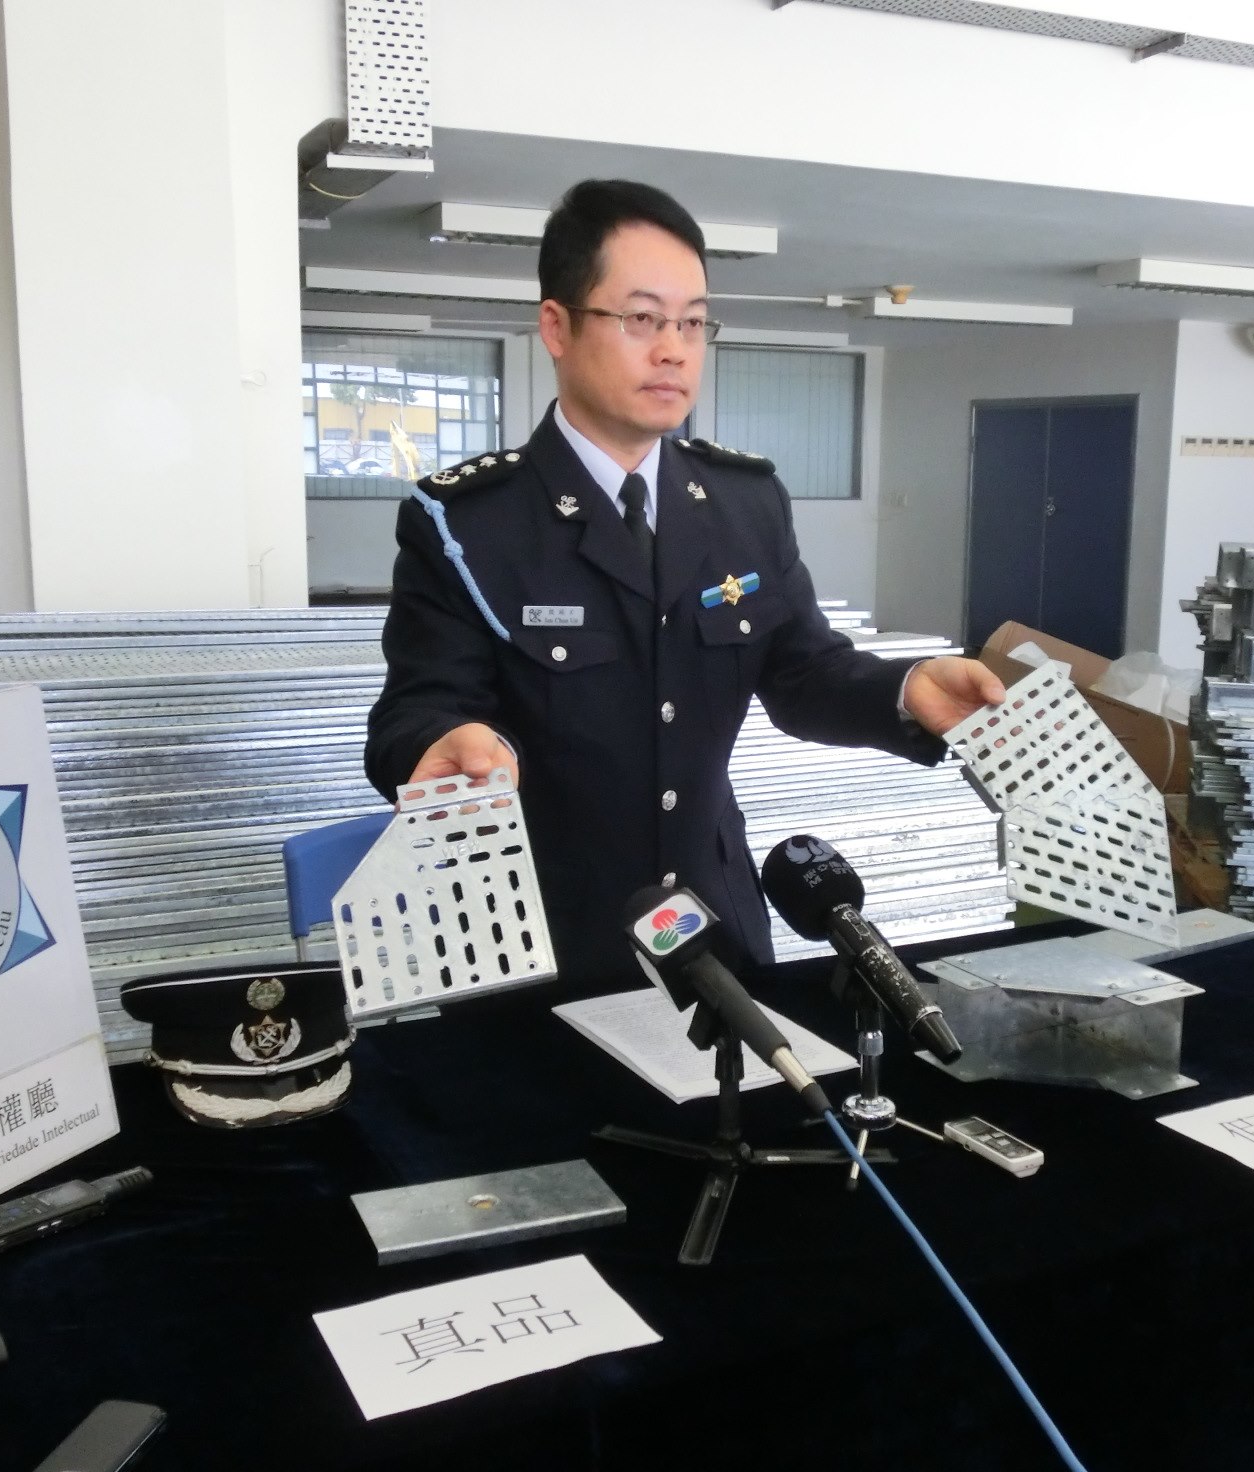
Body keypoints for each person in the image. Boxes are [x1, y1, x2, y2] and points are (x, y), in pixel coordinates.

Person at [364, 178, 1005, 981]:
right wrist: (442, 743)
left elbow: (805, 674)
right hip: (541, 937)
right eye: (641, 318)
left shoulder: (745, 502)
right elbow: (413, 710)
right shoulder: (466, 523)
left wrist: (905, 690)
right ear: (557, 326)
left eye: (693, 322)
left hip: (715, 920)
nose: (673, 349)